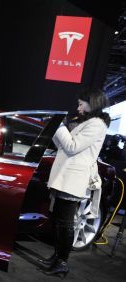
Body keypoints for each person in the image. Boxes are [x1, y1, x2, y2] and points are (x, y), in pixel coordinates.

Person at [37, 88, 110, 278]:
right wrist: (55, 128)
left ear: (92, 103)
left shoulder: (97, 124)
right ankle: (57, 257)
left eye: (81, 104)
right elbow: (63, 144)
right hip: (65, 177)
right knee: (59, 220)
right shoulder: (87, 122)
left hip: (73, 179)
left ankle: (62, 263)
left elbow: (72, 147)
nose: (78, 108)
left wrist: (60, 126)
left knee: (66, 222)